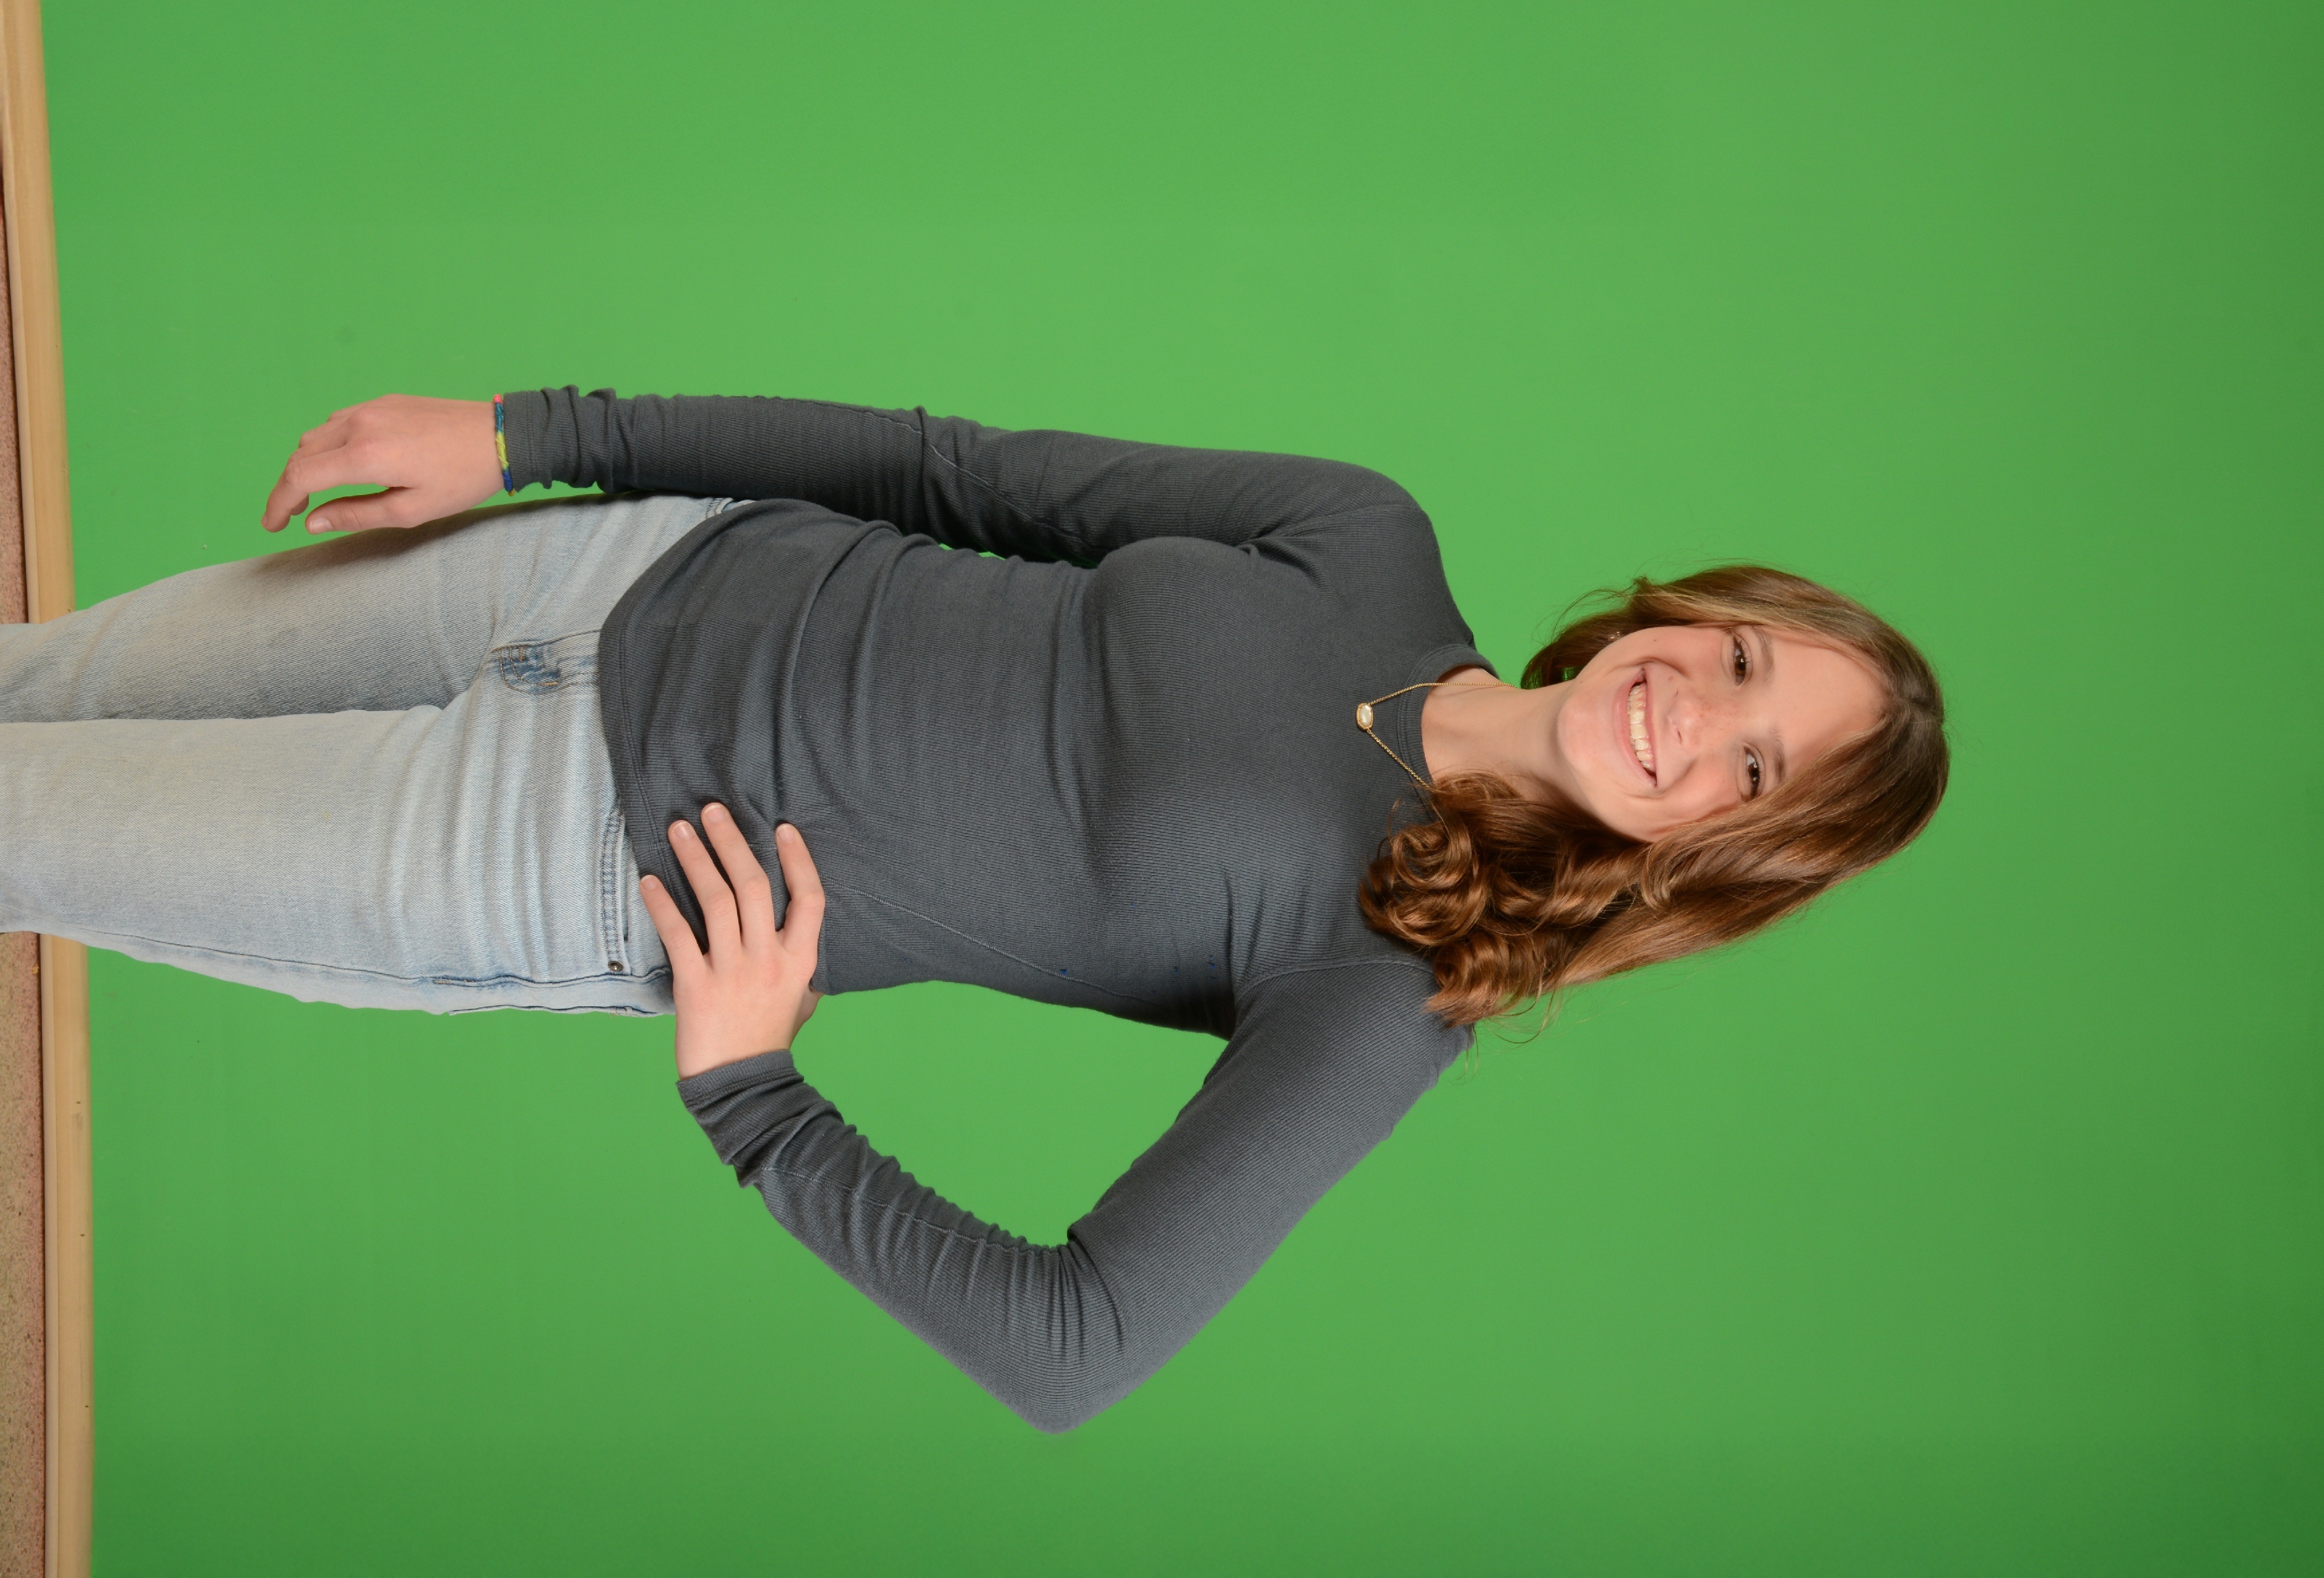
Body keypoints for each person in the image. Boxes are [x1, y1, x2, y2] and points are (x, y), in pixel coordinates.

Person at [0, 389, 1947, 1431]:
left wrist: (754, 1095)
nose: (1694, 719)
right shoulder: (1360, 538)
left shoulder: (1396, 976)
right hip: (609, 578)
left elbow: (1072, 1345)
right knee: (27, 686)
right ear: (1694, 611)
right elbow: (939, 469)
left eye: (1751, 772)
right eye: (1741, 664)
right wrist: (531, 433)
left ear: (1719, 856)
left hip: (545, 849)